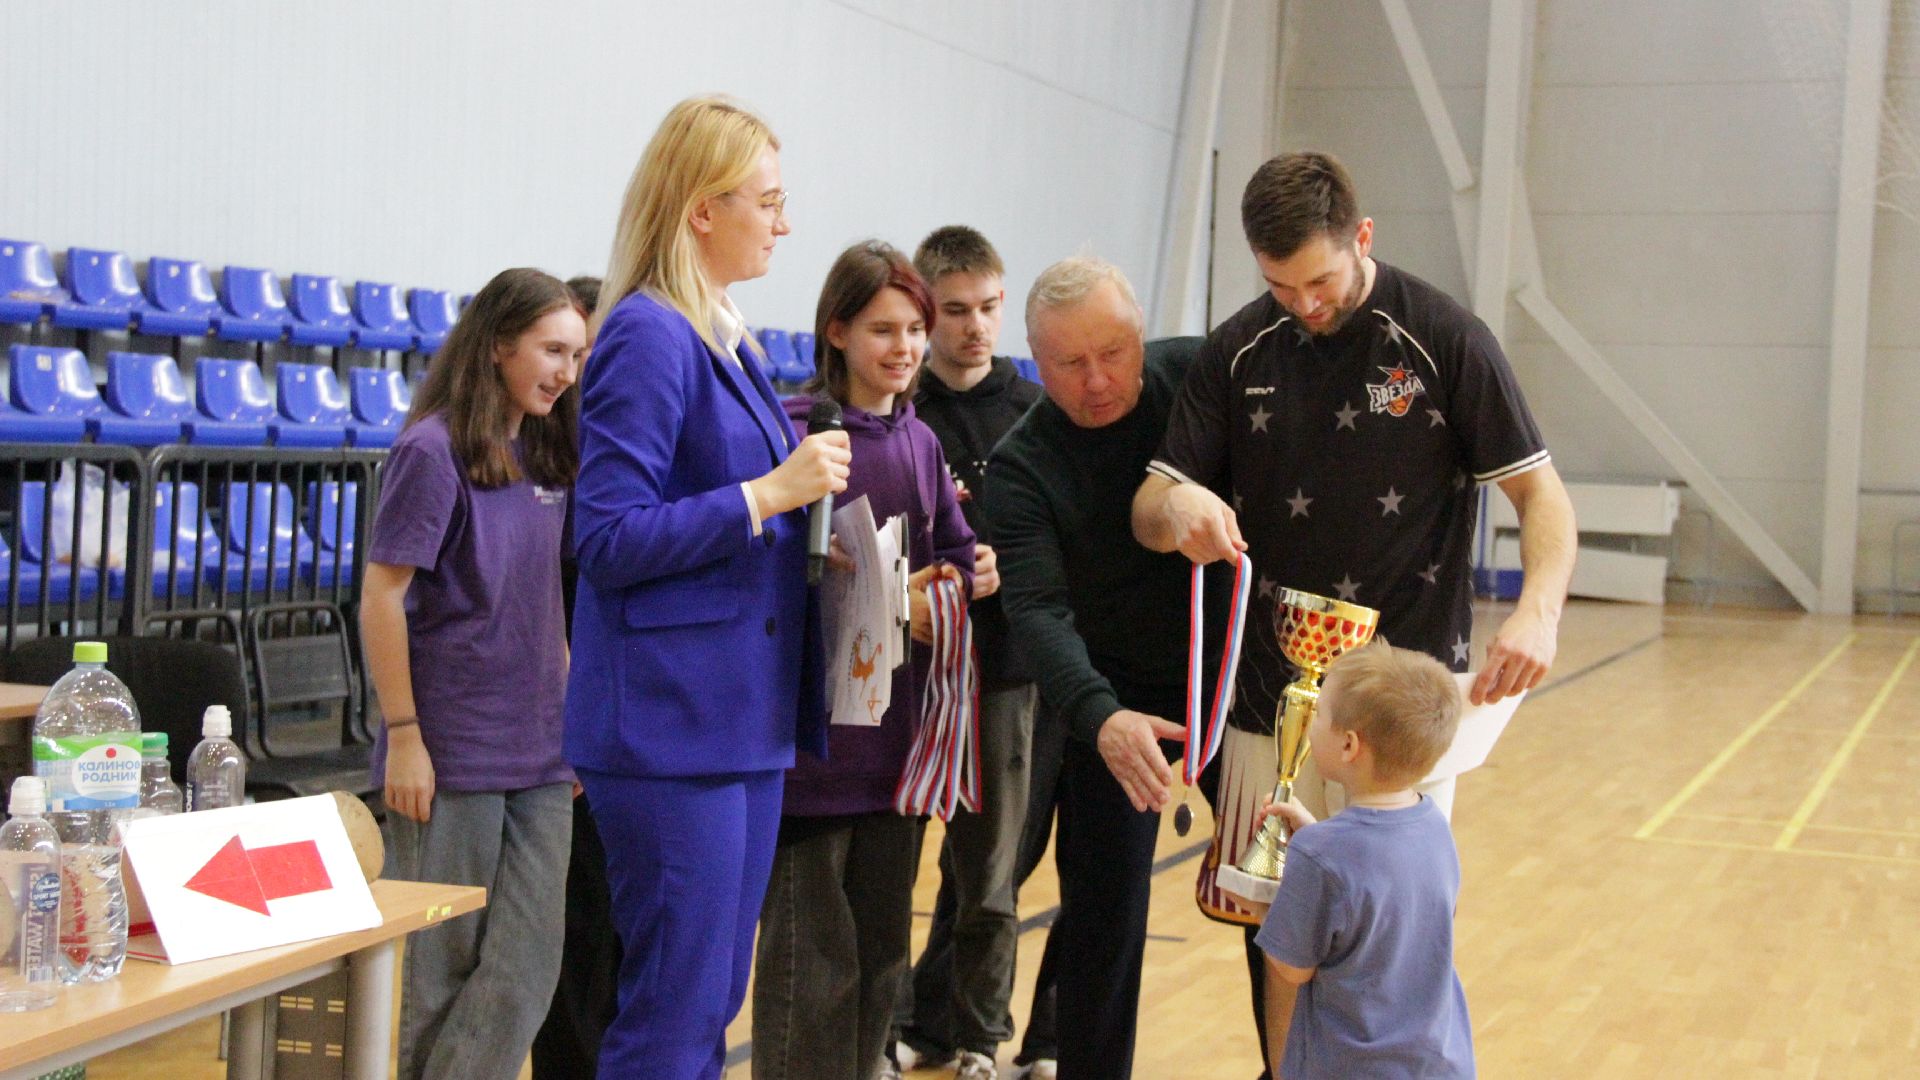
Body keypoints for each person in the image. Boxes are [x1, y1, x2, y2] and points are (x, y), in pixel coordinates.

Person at [1131, 148, 1575, 1072]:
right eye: (1279, 284)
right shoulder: (1240, 348)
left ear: (1362, 238)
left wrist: (1538, 610)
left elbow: (1543, 498)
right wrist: (1175, 510)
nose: (1304, 304)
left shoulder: (1444, 339)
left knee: (1391, 933)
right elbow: (1148, 505)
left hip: (1406, 709)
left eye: (1321, 280)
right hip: (1269, 699)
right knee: (1272, 924)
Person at [565, 95, 851, 1080]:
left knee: (709, 1002)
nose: (783, 221)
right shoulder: (649, 334)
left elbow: (731, 518)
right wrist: (770, 492)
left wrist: (805, 535)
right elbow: (605, 535)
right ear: (701, 210)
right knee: (674, 1008)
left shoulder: (724, 335)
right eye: (766, 201)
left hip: (736, 718)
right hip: (669, 726)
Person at [986, 255, 1219, 1079]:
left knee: (1278, 896)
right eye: (1069, 364)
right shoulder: (1020, 467)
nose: (1097, 381)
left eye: (1114, 352)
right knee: (1101, 921)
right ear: (1033, 362)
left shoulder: (1200, 373)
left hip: (1233, 682)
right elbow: (1038, 611)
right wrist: (1099, 715)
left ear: (1141, 335)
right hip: (1112, 700)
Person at [752, 240, 976, 1080]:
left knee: (882, 964)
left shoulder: (920, 441)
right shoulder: (793, 428)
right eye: (885, 329)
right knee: (809, 969)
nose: (906, 347)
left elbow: (955, 554)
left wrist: (957, 579)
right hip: (810, 749)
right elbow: (755, 555)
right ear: (837, 331)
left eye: (916, 329)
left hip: (896, 750)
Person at [360, 267, 587, 1080]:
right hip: (449, 750)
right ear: (497, 345)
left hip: (539, 749)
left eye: (577, 354)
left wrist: (570, 728)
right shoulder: (431, 449)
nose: (566, 372)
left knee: (529, 965)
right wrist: (405, 736)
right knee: (440, 974)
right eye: (552, 350)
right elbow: (382, 598)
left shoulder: (549, 447)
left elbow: (547, 608)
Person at [893, 225, 1042, 1080]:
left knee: (989, 875)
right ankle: (899, 1025)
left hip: (1004, 675)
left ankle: (982, 1038)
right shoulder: (902, 410)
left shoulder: (1032, 411)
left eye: (989, 308)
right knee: (891, 870)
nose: (975, 327)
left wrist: (1003, 571)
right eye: (954, 311)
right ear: (925, 308)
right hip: (909, 674)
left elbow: (1059, 540)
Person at [1248, 642, 1473, 1079]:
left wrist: (1266, 910)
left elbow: (1293, 969)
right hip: (1436, 1064)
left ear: (1349, 744)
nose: (1311, 719)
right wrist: (1321, 839)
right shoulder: (1433, 827)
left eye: (1321, 714)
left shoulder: (1321, 855)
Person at [532, 276, 618, 1080]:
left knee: (617, 941)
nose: (579, 369)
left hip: (628, 729)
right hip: (566, 736)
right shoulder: (537, 457)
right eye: (569, 351)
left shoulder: (621, 451)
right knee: (573, 939)